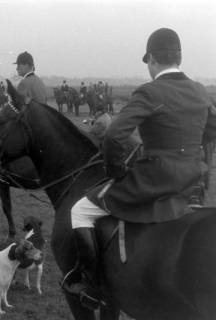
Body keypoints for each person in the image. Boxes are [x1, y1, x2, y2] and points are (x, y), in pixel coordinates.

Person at [62, 28, 216, 310]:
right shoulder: (199, 90)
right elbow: (212, 130)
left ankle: (91, 284)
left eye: (148, 63)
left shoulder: (150, 91)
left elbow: (113, 136)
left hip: (155, 179)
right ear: (179, 58)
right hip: (191, 179)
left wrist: (117, 171)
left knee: (79, 211)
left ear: (152, 60)